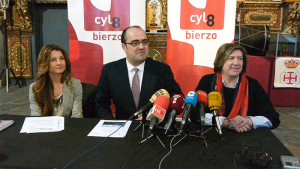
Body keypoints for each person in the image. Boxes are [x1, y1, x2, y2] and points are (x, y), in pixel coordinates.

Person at [95, 26, 182, 120]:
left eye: (144, 42)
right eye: (135, 43)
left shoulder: (162, 70)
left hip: (153, 127)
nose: (141, 47)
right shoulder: (110, 70)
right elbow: (101, 102)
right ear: (124, 47)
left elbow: (176, 98)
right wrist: (111, 124)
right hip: (122, 128)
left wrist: (154, 114)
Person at [191, 43, 280, 132]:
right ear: (221, 60)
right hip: (214, 136)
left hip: (245, 136)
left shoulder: (253, 85)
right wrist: (225, 123)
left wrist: (248, 121)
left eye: (240, 59)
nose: (236, 63)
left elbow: (273, 118)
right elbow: (195, 115)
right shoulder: (207, 81)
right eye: (231, 58)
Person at [29, 44, 83, 118]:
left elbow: (77, 116)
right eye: (53, 60)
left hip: (68, 126)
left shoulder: (75, 84)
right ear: (45, 63)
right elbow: (36, 117)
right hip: (45, 127)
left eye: (61, 58)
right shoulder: (35, 88)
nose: (59, 63)